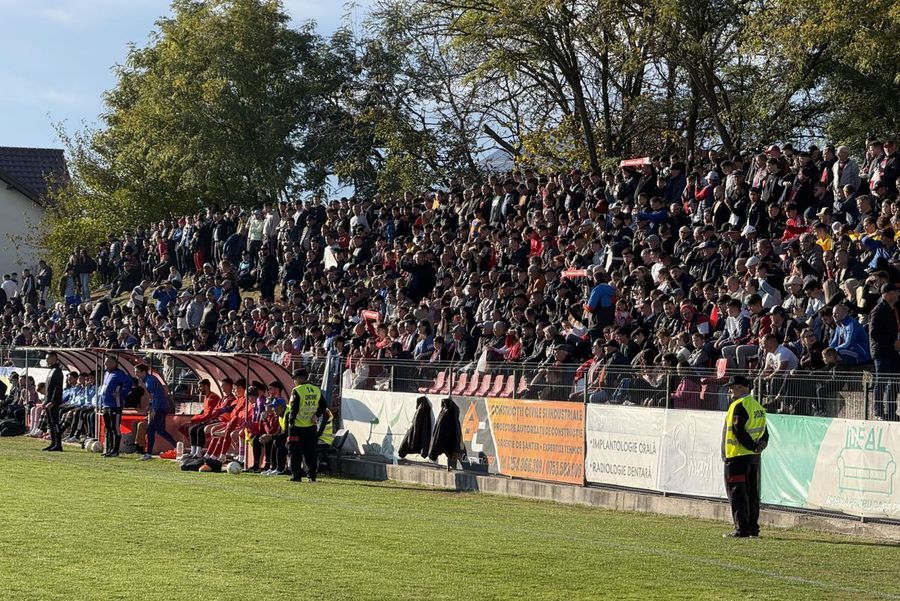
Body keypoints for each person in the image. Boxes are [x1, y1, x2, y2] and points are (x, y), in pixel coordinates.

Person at [722, 375, 768, 538]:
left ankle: (742, 529)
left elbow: (738, 430)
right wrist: (758, 447)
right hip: (752, 458)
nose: (730, 391)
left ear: (740, 387)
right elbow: (764, 432)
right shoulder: (757, 406)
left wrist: (751, 446)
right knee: (752, 494)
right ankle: (753, 529)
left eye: (732, 388)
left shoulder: (738, 405)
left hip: (736, 457)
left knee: (738, 494)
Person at [287, 368, 326, 482]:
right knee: (310, 452)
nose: (294, 381)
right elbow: (323, 405)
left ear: (299, 378)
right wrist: (316, 415)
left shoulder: (297, 390)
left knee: (295, 452)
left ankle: (296, 476)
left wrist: (290, 423)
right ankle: (312, 476)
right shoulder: (316, 389)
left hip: (297, 427)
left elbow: (294, 409)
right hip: (311, 427)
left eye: (294, 379)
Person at [869, 283, 900, 420]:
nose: (898, 294)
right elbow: (874, 333)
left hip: (892, 351)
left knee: (895, 380)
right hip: (882, 351)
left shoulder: (893, 309)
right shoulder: (878, 310)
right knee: (881, 381)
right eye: (895, 292)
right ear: (887, 294)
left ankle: (892, 411)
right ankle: (879, 411)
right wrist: (892, 341)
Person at [136, 364, 177, 460]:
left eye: (137, 372)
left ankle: (148, 453)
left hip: (160, 408)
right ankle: (177, 446)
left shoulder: (149, 381)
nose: (136, 374)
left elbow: (157, 396)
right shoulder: (148, 380)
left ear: (143, 372)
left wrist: (154, 409)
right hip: (162, 407)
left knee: (151, 429)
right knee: (161, 431)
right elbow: (154, 396)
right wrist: (149, 406)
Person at [99, 355, 133, 457]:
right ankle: (109, 448)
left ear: (114, 363)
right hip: (106, 405)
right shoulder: (106, 373)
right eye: (105, 362)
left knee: (115, 428)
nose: (105, 364)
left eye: (108, 362)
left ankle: (115, 450)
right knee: (108, 427)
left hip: (115, 405)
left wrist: (122, 393)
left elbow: (129, 382)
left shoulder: (119, 374)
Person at [184, 378, 222, 458]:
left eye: (200, 386)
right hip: (208, 420)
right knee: (192, 429)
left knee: (199, 430)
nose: (198, 389)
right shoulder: (206, 397)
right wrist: (195, 419)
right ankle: (193, 451)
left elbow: (208, 414)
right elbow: (204, 412)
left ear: (206, 386)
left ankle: (198, 453)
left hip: (214, 420)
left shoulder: (213, 397)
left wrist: (194, 419)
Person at [43, 351, 65, 452]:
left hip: (54, 403)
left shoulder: (57, 371)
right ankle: (53, 443)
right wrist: (45, 400)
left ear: (54, 358)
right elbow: (48, 388)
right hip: (48, 402)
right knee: (50, 423)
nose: (47, 361)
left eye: (48, 358)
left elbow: (57, 388)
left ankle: (58, 444)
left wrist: (52, 401)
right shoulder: (51, 370)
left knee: (55, 423)